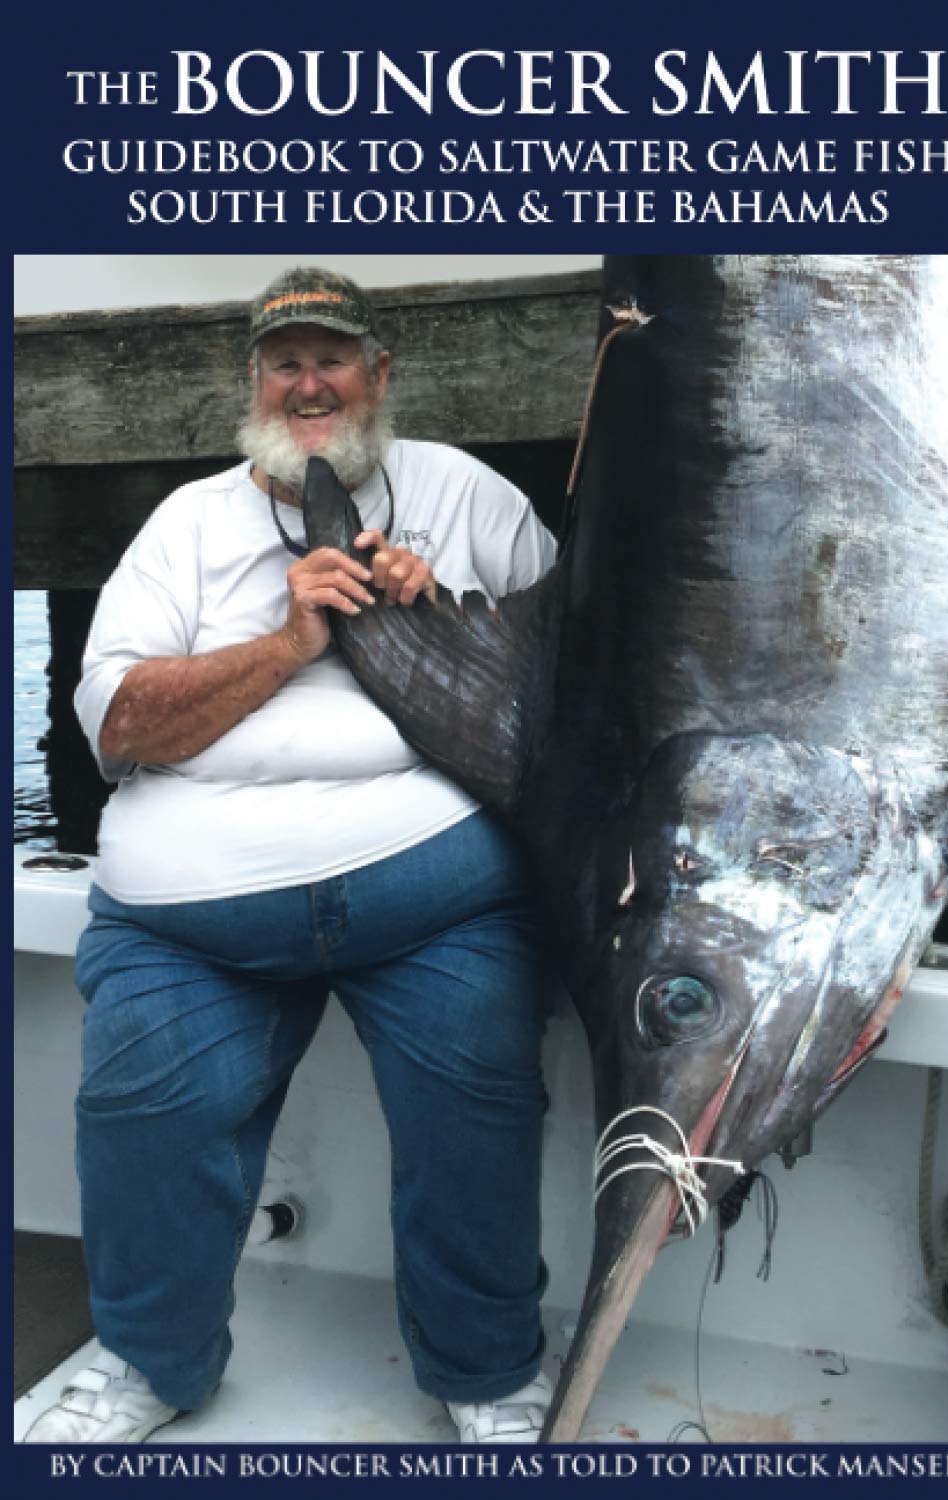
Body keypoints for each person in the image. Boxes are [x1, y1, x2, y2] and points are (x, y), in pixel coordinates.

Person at [25, 267, 557, 1445]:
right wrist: (287, 638)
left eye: (331, 356)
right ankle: (149, 1361)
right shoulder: (189, 524)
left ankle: (485, 1370)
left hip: (435, 897)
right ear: (254, 383)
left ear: (380, 374)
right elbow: (116, 724)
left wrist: (445, 627)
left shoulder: (466, 495)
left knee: (478, 1100)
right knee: (141, 1113)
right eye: (284, 361)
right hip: (189, 914)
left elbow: (579, 687)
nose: (307, 380)